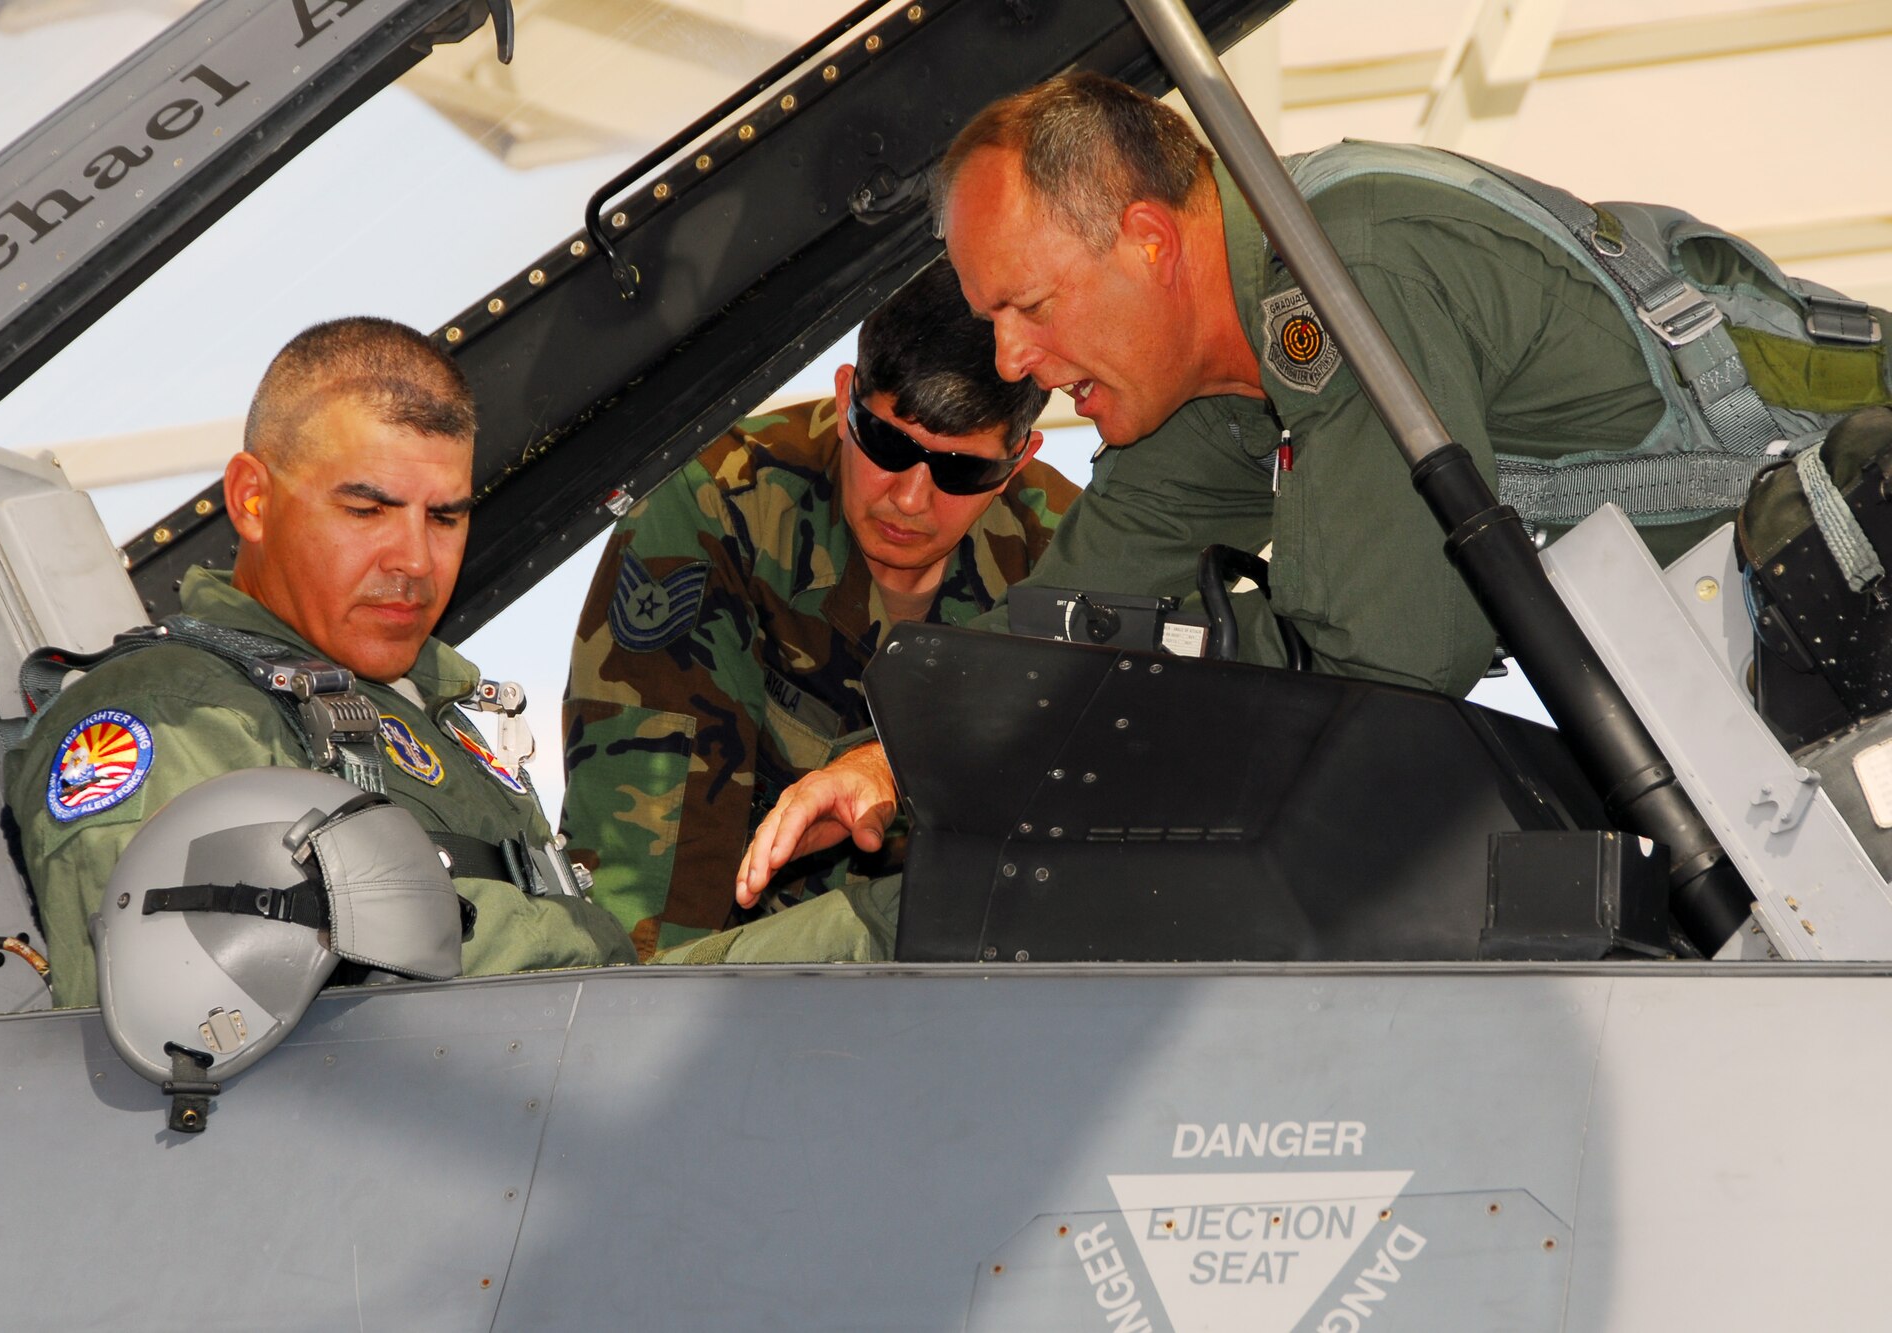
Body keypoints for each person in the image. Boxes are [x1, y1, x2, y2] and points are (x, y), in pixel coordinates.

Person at [732, 69, 1892, 919]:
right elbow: (1075, 617)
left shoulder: (1352, 274)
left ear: (1145, 240)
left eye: (1025, 307)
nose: (1010, 360)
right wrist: (894, 758)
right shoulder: (1213, 371)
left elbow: (1384, 671)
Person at [7, 316, 635, 1007]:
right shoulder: (169, 715)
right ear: (253, 499)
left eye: (445, 517)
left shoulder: (421, 705)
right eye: (367, 511)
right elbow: (207, 1007)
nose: (416, 561)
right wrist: (587, 944)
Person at [560, 259, 1079, 959]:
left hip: (960, 969)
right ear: (845, 401)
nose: (909, 499)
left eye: (961, 470)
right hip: (738, 977)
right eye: (890, 444)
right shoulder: (721, 506)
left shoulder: (1064, 556)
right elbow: (650, 849)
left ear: (1019, 461)